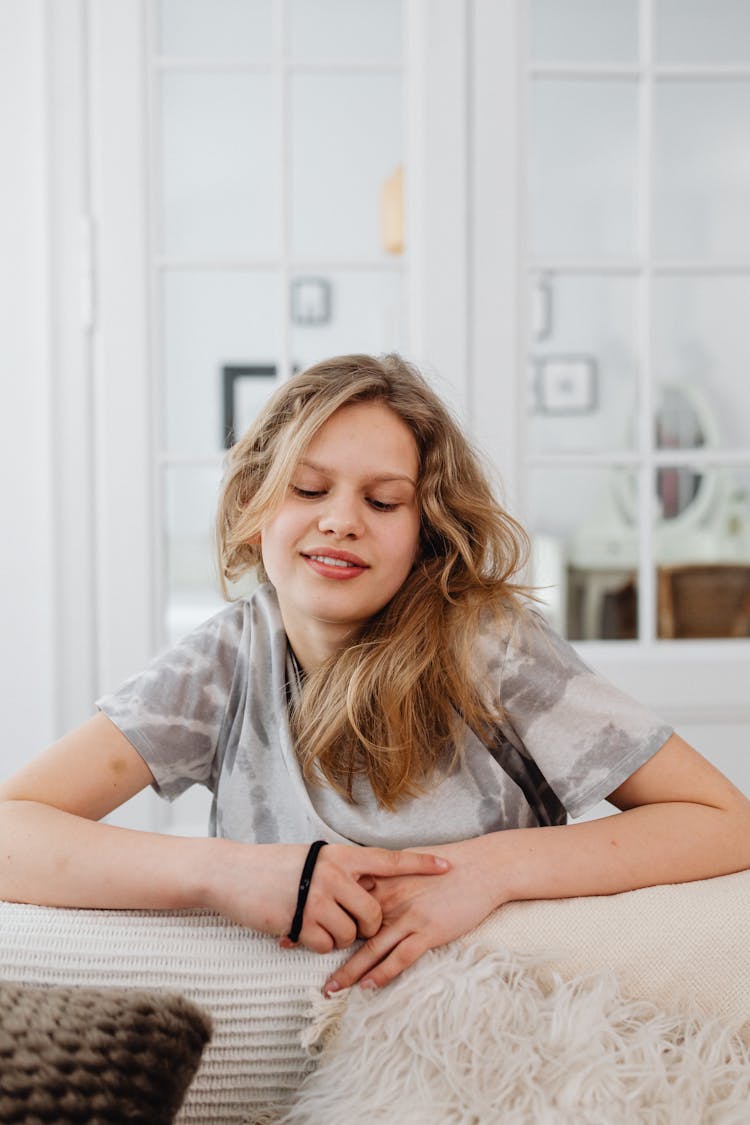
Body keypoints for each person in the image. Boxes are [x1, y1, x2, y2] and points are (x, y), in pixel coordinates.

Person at [1, 353, 749, 998]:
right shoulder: (223, 660)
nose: (341, 519)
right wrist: (220, 872)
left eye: (383, 500)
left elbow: (724, 821)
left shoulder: (490, 646)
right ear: (256, 508)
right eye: (308, 488)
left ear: (425, 531)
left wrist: (489, 870)